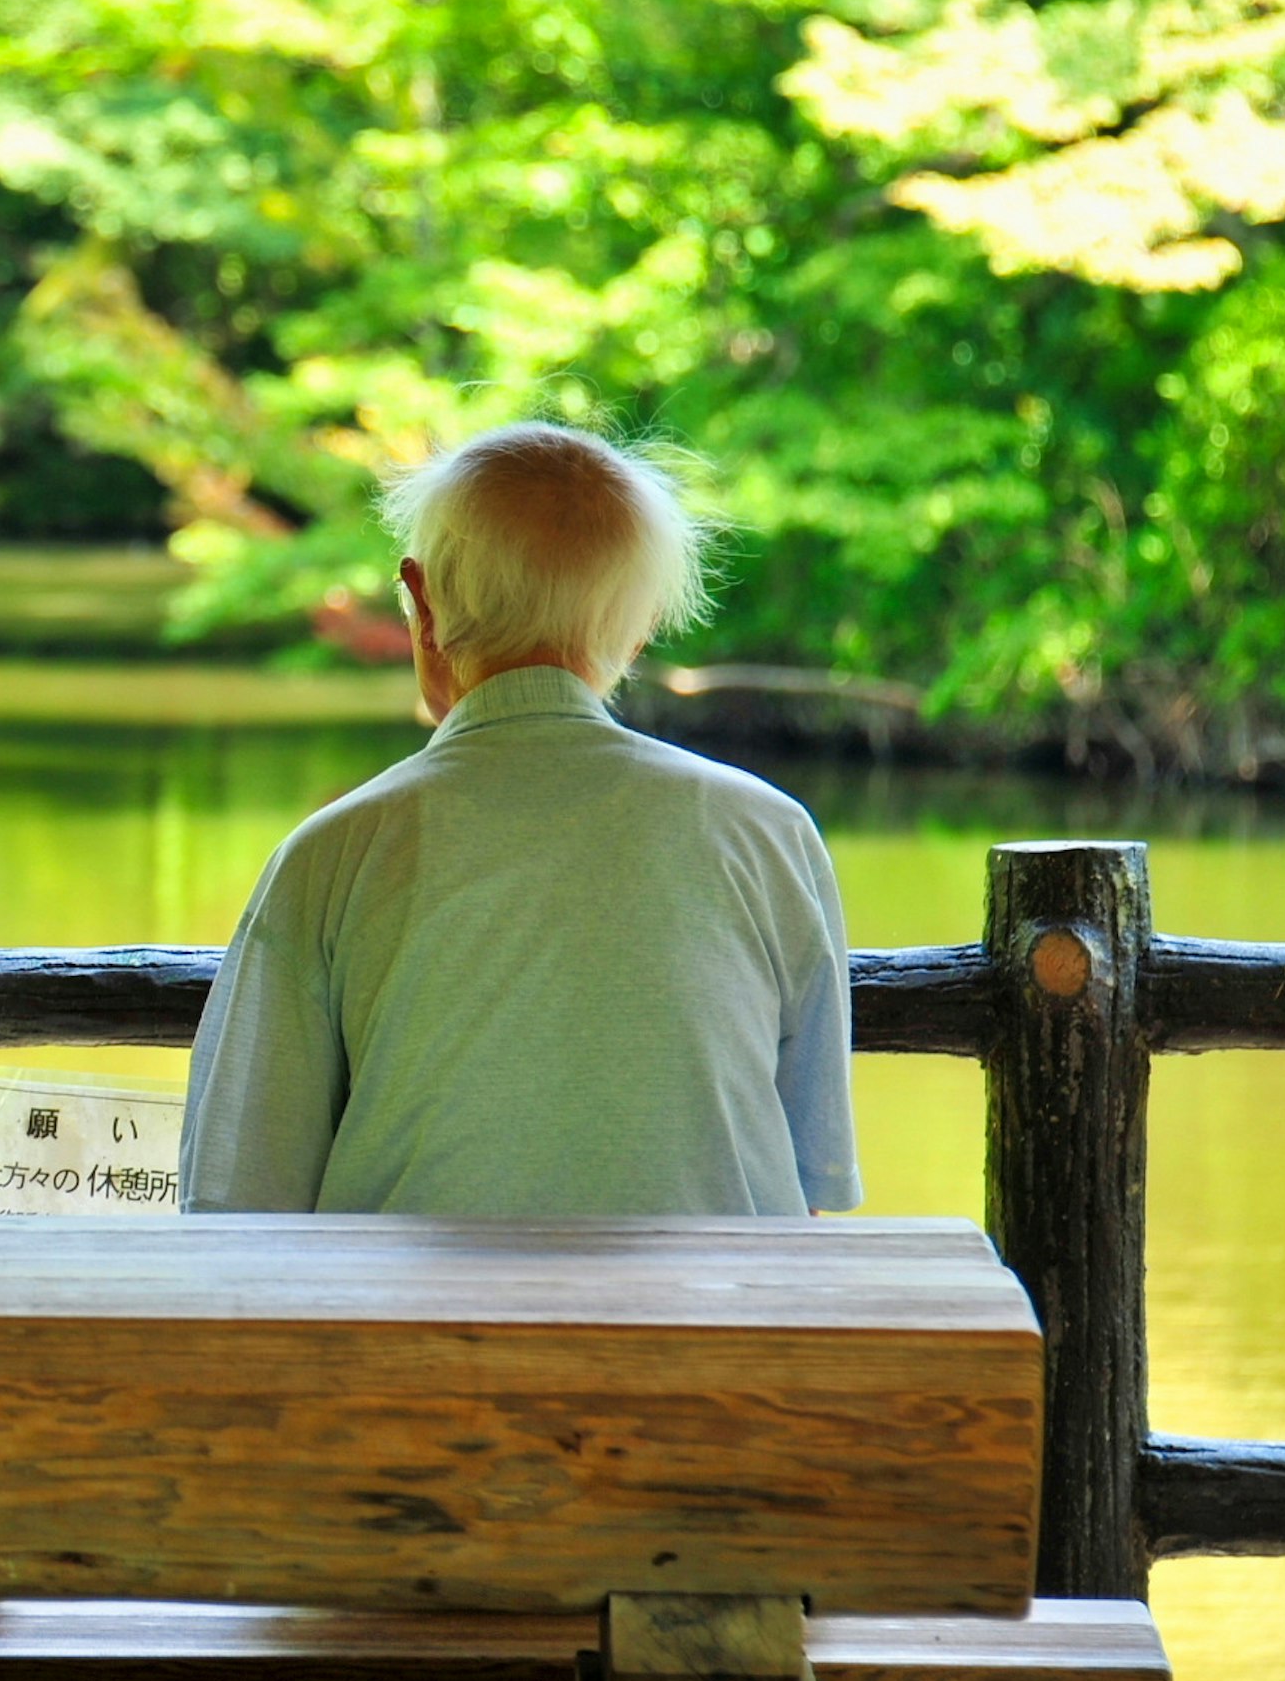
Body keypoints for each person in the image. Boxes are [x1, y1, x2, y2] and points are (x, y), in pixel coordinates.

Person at [177, 423, 855, 1219]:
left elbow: (237, 1194)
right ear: (638, 631)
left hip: (414, 1338)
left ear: (421, 603)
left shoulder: (335, 852)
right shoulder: (768, 834)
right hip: (711, 1333)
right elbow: (810, 1191)